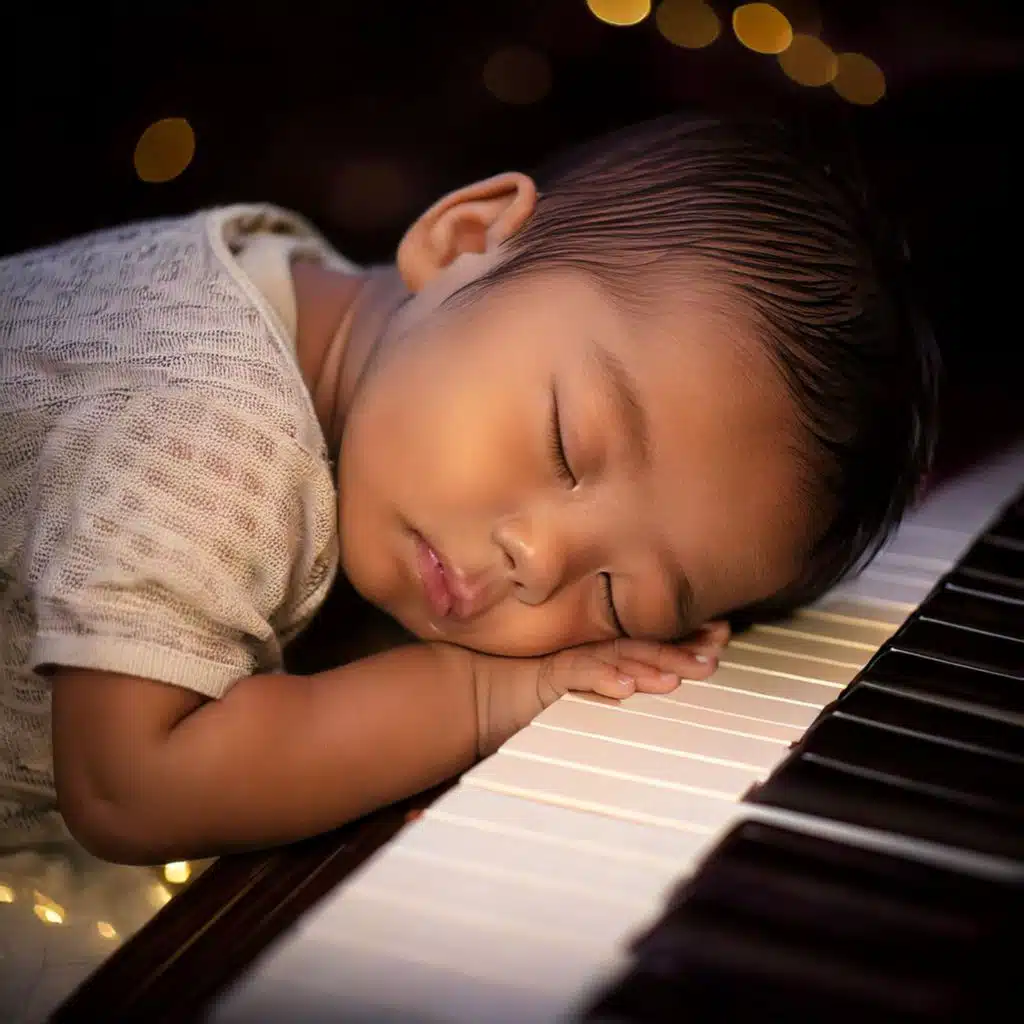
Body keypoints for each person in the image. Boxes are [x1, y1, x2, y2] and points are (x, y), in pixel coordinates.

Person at [0, 112, 938, 864]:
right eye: (568, 445)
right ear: (465, 240)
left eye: (618, 597)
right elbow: (132, 788)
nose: (540, 561)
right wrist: (484, 697)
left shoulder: (304, 306)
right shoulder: (215, 433)